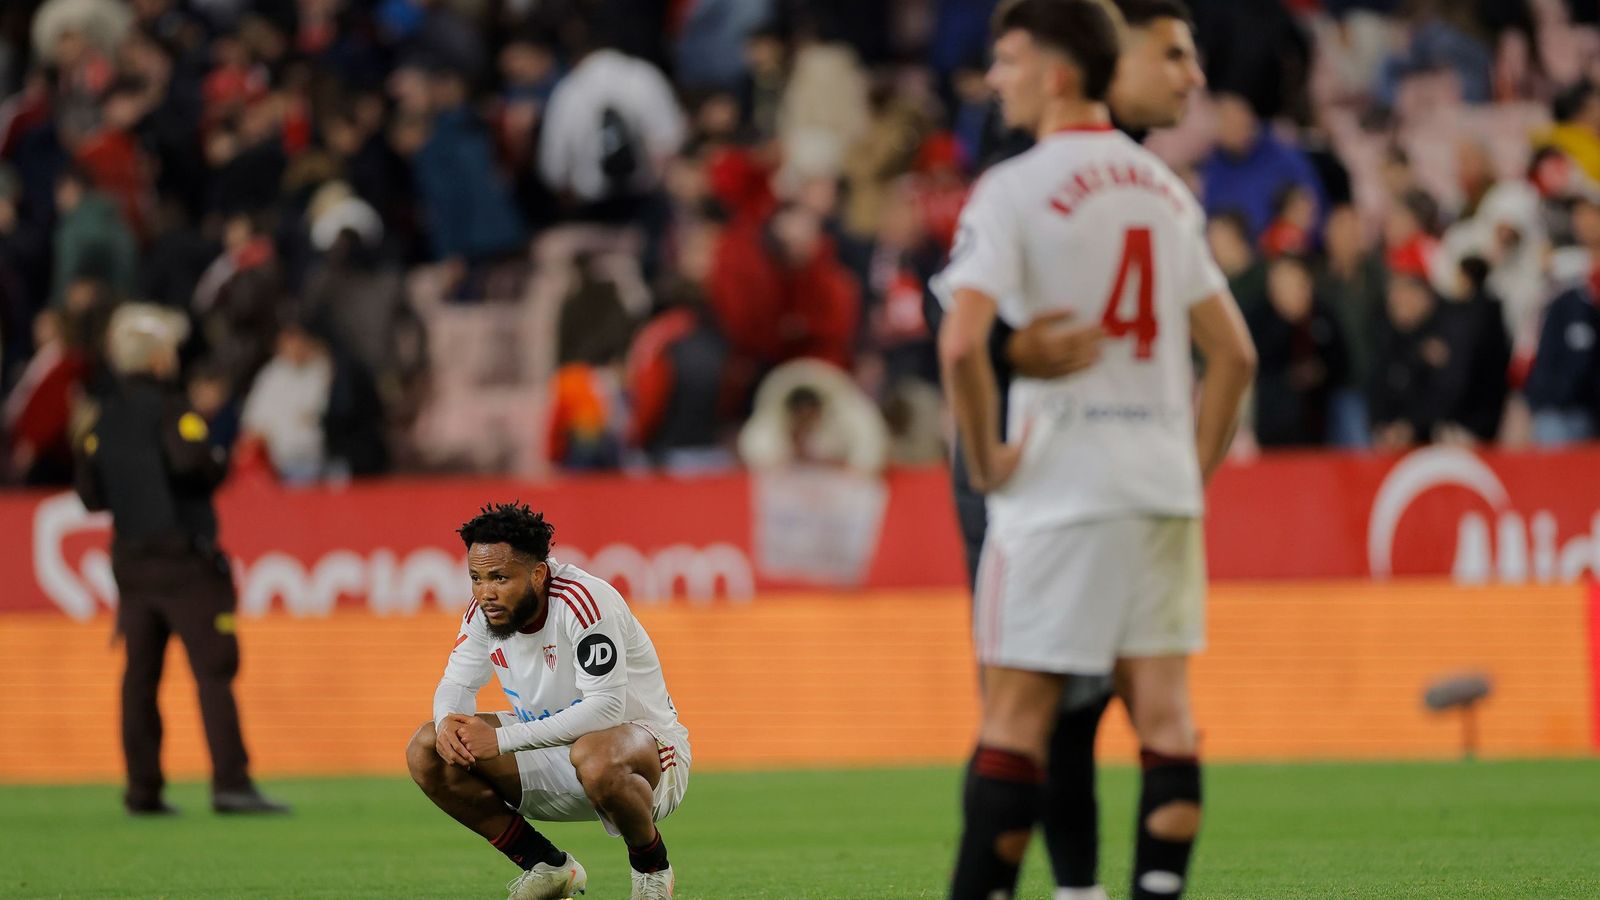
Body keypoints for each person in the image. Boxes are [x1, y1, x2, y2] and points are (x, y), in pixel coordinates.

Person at [933, 2, 1255, 898]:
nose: (995, 79)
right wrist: (1185, 470)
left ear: (1057, 74)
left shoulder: (1013, 188)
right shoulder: (1162, 187)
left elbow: (958, 343)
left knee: (1015, 723)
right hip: (1157, 489)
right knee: (1166, 716)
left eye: (1008, 60)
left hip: (1055, 492)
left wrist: (988, 459)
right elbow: (1236, 352)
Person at [407, 503, 690, 900]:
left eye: (500, 577)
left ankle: (651, 867)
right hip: (549, 756)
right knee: (427, 746)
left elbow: (605, 708)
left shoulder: (584, 601)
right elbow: (456, 683)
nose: (486, 592)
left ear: (538, 574)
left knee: (594, 753)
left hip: (642, 760)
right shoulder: (484, 613)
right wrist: (446, 722)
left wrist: (502, 740)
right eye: (476, 578)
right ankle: (547, 866)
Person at [72, 303, 288, 816]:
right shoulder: (172, 409)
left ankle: (142, 791)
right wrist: (215, 461)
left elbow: (90, 496)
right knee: (214, 669)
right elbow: (190, 461)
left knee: (140, 677)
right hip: (182, 561)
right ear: (156, 361)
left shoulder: (98, 416)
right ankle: (231, 783)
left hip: (129, 560)